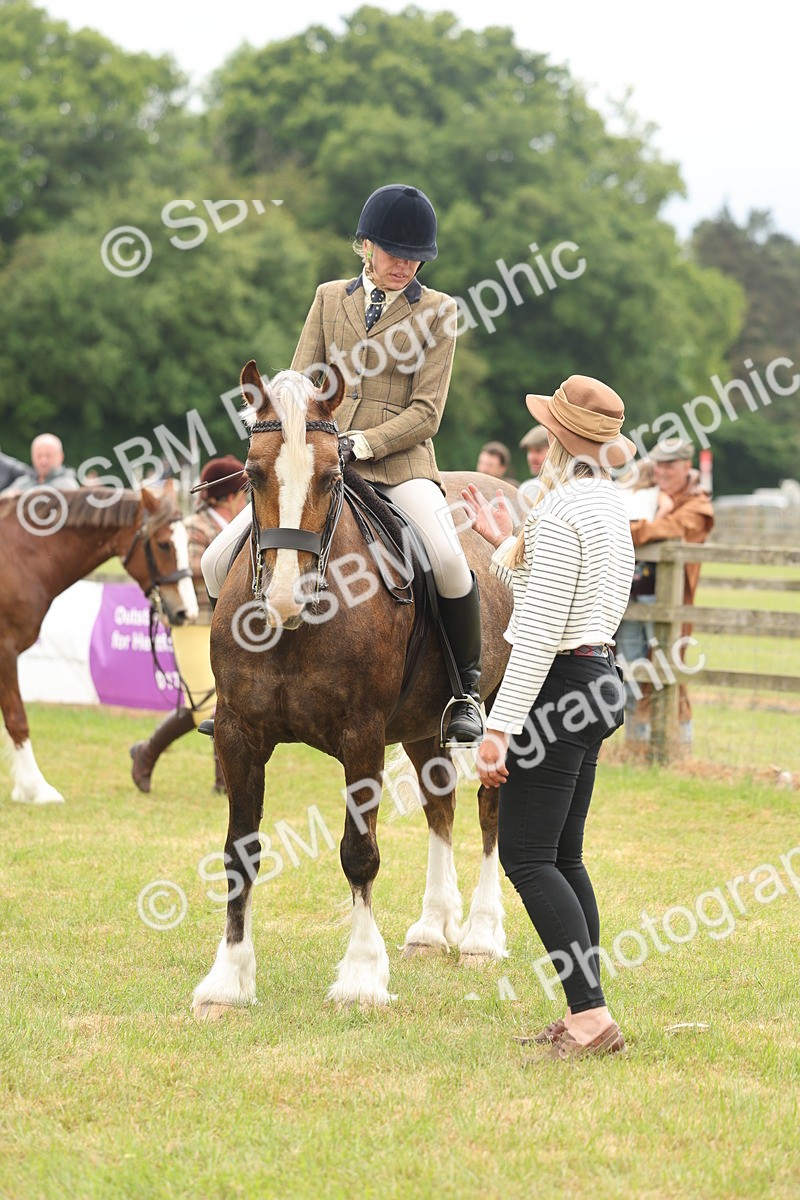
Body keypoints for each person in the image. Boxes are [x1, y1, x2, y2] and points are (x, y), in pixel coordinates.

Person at [200, 182, 484, 745]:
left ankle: (463, 693)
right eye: (392, 252)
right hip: (318, 464)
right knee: (214, 560)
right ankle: (237, 686)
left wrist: (364, 443)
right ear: (365, 246)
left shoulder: (437, 312)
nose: (403, 265)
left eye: (414, 257)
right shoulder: (330, 298)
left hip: (398, 466)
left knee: (450, 563)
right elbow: (295, 380)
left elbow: (426, 413)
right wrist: (284, 427)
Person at [461, 375, 636, 1061]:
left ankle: (591, 1019)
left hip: (560, 684)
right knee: (564, 855)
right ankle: (588, 1009)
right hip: (598, 677)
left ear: (559, 438)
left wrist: (498, 729)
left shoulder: (562, 512)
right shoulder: (606, 505)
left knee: (528, 857)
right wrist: (506, 543)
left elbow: (535, 634)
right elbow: (555, 604)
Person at [129, 455, 247, 793]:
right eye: (240, 492)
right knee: (205, 705)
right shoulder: (196, 525)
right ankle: (225, 780)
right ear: (228, 495)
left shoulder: (236, 524)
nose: (244, 499)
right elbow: (189, 564)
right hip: (193, 622)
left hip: (225, 623)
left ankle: (146, 754)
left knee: (211, 700)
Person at [623, 437, 715, 749]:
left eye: (669, 465)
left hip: (675, 603)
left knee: (669, 665)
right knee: (631, 669)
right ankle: (636, 744)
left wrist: (629, 529)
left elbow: (667, 530)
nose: (660, 470)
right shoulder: (647, 494)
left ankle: (679, 744)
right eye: (658, 463)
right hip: (635, 597)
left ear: (686, 466)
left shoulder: (698, 505)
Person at [612, 458, 660, 735]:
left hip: (628, 590)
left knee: (630, 660)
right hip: (646, 588)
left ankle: (634, 731)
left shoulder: (621, 496)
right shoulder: (654, 499)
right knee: (655, 655)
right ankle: (641, 730)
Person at [1, 433, 78, 495]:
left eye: (48, 456)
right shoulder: (23, 482)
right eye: (39, 456)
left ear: (61, 457)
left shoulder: (68, 487)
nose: (43, 461)